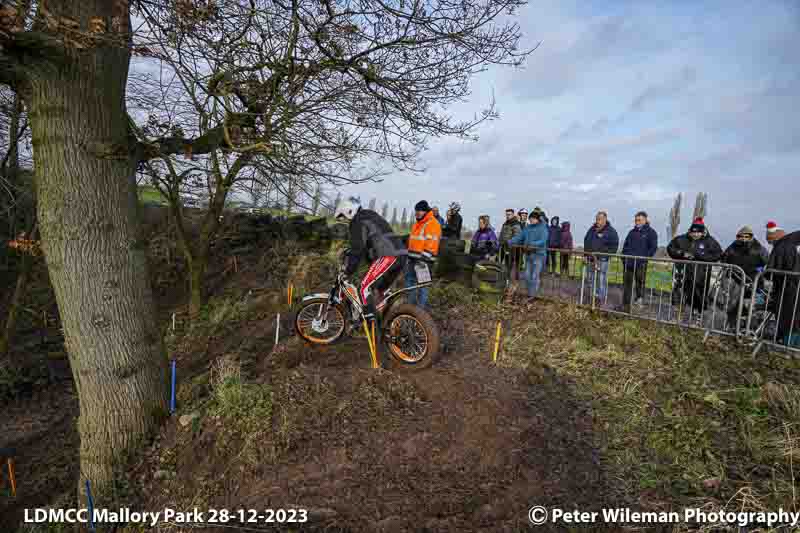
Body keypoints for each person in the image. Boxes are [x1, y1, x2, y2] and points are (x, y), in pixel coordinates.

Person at [334, 197, 408, 320]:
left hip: (387, 255)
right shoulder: (370, 214)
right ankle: (387, 321)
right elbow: (373, 242)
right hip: (401, 253)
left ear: (349, 211)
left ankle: (371, 324)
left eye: (344, 216)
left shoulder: (357, 221)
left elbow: (357, 250)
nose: (346, 220)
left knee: (364, 288)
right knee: (379, 290)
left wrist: (347, 272)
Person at [667, 217, 723, 319]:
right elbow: (670, 248)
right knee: (680, 292)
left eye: (698, 232)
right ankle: (677, 315)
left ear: (702, 232)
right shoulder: (682, 239)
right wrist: (681, 253)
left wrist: (701, 257)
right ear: (690, 231)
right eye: (693, 232)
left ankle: (698, 314)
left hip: (702, 275)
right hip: (682, 273)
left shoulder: (710, 241)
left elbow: (718, 254)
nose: (695, 234)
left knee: (699, 294)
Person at [721, 225, 769, 327]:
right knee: (733, 305)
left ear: (751, 237)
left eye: (746, 236)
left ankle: (750, 329)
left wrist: (760, 270)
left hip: (753, 281)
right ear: (738, 237)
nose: (744, 238)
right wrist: (729, 269)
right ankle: (732, 326)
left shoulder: (758, 247)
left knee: (751, 307)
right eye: (741, 236)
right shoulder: (732, 247)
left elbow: (766, 261)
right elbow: (724, 258)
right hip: (736, 280)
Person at [765, 221, 800, 345]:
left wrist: (766, 273)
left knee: (788, 318)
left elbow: (771, 271)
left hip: (787, 289)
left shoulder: (781, 246)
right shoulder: (793, 244)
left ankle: (789, 346)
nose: (770, 244)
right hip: (793, 287)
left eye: (770, 242)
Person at [406, 200, 442, 308]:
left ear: (425, 211)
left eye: (419, 211)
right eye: (416, 211)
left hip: (424, 261)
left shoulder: (432, 224)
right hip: (412, 259)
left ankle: (421, 310)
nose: (417, 213)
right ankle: (410, 307)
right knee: (410, 284)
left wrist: (423, 260)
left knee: (423, 286)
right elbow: (414, 241)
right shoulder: (417, 224)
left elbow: (432, 244)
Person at [621, 211, 659, 311]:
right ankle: (626, 304)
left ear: (645, 220)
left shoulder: (651, 232)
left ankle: (639, 302)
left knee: (640, 283)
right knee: (627, 284)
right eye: (636, 220)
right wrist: (623, 258)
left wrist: (644, 259)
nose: (637, 222)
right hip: (628, 263)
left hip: (640, 263)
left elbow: (653, 248)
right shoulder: (631, 232)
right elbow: (625, 246)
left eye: (639, 220)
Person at [509, 211, 548, 299]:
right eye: (530, 219)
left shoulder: (543, 228)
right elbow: (520, 237)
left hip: (538, 255)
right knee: (526, 275)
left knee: (535, 276)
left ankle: (533, 295)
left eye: (533, 219)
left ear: (537, 219)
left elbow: (543, 240)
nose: (531, 220)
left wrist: (532, 244)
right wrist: (510, 241)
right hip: (528, 255)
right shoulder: (527, 228)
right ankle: (530, 293)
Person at [583, 211, 620, 303]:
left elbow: (614, 246)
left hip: (602, 260)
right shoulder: (592, 229)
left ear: (605, 219)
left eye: (599, 219)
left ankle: (600, 299)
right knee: (590, 278)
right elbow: (586, 241)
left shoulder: (611, 231)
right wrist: (585, 254)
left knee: (601, 279)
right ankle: (592, 296)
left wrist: (605, 255)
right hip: (590, 258)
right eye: (597, 219)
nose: (597, 221)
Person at [499, 208, 523, 276]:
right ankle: (507, 279)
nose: (507, 216)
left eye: (509, 214)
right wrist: (499, 243)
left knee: (512, 265)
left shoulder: (516, 224)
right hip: (505, 247)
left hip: (513, 248)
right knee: (506, 264)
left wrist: (509, 242)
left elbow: (517, 236)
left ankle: (514, 280)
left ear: (513, 215)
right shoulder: (505, 224)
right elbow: (502, 234)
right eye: (506, 215)